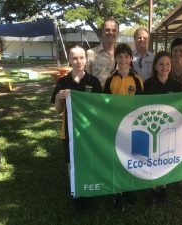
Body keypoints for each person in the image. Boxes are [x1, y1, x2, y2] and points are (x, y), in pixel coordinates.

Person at [50, 45, 102, 213]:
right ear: (69, 61)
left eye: (82, 57)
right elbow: (58, 111)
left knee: (89, 161)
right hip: (69, 131)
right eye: (75, 58)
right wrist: (58, 97)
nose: (79, 61)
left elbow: (100, 108)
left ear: (86, 60)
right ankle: (76, 194)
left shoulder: (93, 81)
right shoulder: (63, 82)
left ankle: (88, 190)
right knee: (71, 163)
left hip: (89, 131)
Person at [104, 43, 143, 210]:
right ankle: (116, 191)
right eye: (120, 56)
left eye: (126, 56)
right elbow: (104, 105)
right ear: (116, 59)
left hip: (132, 128)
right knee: (115, 159)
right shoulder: (109, 80)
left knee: (131, 159)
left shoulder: (138, 80)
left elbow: (142, 105)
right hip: (114, 127)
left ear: (131, 59)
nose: (123, 59)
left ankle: (129, 189)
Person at [144, 51, 182, 205]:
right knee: (152, 158)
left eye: (167, 64)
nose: (164, 67)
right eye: (161, 64)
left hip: (169, 127)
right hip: (151, 127)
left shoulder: (177, 85)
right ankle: (152, 189)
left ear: (171, 66)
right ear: (155, 66)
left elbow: (181, 107)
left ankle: (163, 188)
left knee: (165, 158)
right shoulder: (147, 84)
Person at [86, 18, 119, 87]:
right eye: (107, 30)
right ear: (102, 32)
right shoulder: (91, 53)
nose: (111, 33)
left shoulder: (122, 55)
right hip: (97, 95)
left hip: (116, 95)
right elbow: (86, 78)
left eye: (114, 30)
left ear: (118, 33)